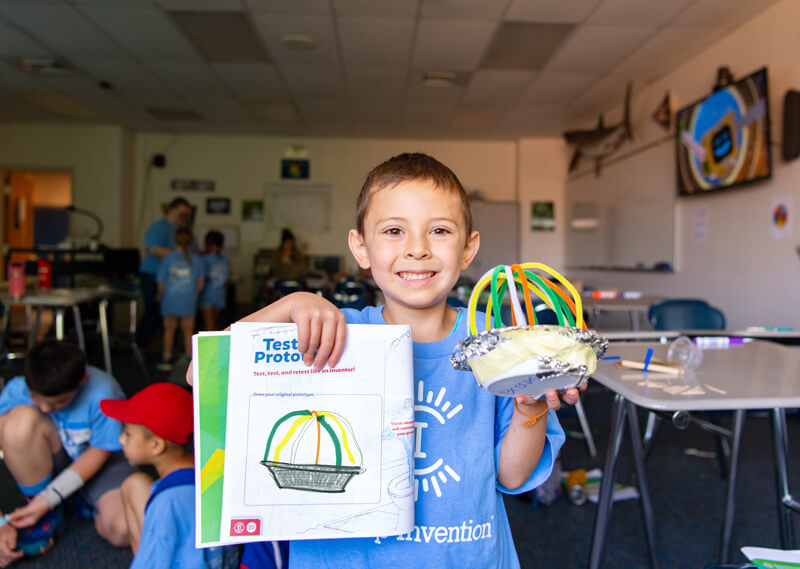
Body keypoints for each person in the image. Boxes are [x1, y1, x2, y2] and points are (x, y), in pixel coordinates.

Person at [194, 153, 578, 568]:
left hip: (466, 557)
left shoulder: (501, 344)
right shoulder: (326, 337)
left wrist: (531, 401)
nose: (417, 249)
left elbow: (512, 476)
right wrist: (290, 304)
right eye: (394, 230)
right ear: (361, 247)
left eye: (440, 231)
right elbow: (201, 374)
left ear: (469, 248)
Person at [0, 340, 135, 566]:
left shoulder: (103, 391)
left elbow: (99, 452)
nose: (44, 409)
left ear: (82, 380)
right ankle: (48, 513)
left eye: (57, 403)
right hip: (57, 454)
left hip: (104, 462)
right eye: (37, 400)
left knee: (121, 530)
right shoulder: (17, 387)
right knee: (17, 426)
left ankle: (68, 500)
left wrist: (48, 499)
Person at [100, 382, 222, 569]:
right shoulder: (209, 468)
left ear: (156, 445)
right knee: (134, 483)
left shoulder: (168, 502)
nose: (121, 439)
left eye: (127, 434)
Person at [137, 197, 192, 350]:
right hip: (153, 276)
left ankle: (167, 350)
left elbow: (191, 251)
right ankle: (140, 346)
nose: (184, 218)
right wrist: (181, 256)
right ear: (171, 210)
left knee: (169, 317)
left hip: (172, 281)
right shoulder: (159, 228)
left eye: (186, 215)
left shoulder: (181, 231)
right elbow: (153, 249)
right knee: (153, 312)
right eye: (181, 214)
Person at [157, 227, 205, 371]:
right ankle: (189, 359)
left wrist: (160, 295)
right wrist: (194, 295)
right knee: (188, 329)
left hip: (170, 299)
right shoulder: (197, 259)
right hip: (188, 299)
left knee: (169, 329)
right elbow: (200, 283)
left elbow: (161, 282)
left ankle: (167, 358)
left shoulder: (167, 259)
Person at [199, 230, 230, 331]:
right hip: (219, 297)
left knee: (210, 327)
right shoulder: (224, 261)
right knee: (214, 326)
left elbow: (200, 280)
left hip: (206, 297)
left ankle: (209, 347)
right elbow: (225, 280)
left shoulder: (202, 260)